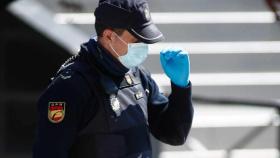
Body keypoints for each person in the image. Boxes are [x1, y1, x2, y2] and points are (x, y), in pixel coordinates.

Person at [32, 0, 193, 157]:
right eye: (136, 40)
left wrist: (181, 88)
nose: (143, 46)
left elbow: (174, 134)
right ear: (109, 36)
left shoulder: (138, 76)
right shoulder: (71, 86)